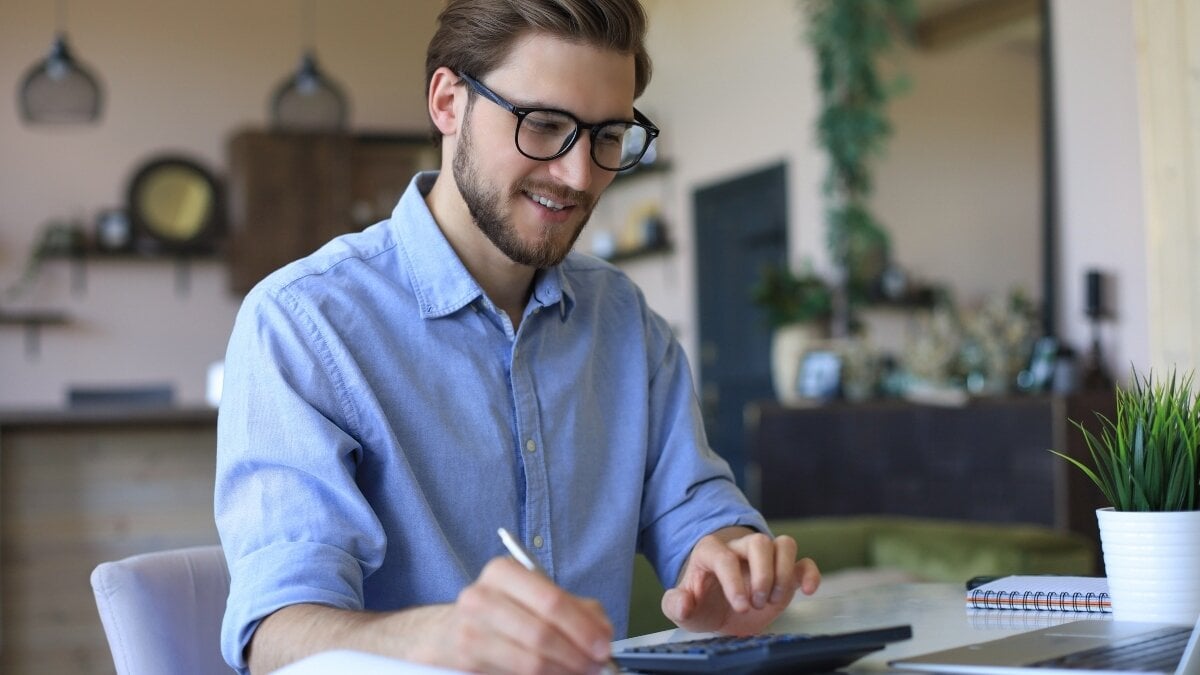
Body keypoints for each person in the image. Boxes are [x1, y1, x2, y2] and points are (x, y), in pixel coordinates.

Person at [214, 1, 821, 673]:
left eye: (608, 136)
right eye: (545, 125)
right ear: (448, 102)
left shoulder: (624, 319)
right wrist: (439, 641)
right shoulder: (303, 323)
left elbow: (695, 510)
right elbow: (274, 635)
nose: (580, 176)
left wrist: (730, 560)